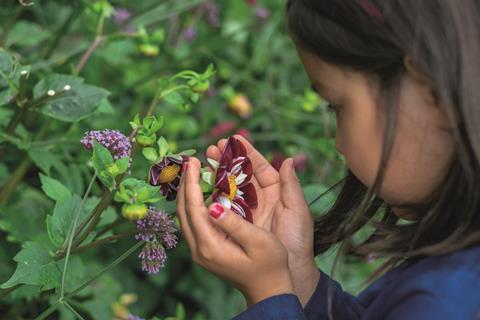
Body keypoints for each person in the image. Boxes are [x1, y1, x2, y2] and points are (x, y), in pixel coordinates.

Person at [175, 0, 480, 319]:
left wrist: (268, 295)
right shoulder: (456, 275)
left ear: (433, 93)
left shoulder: (445, 303)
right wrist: (296, 278)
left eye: (338, 106)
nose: (338, 144)